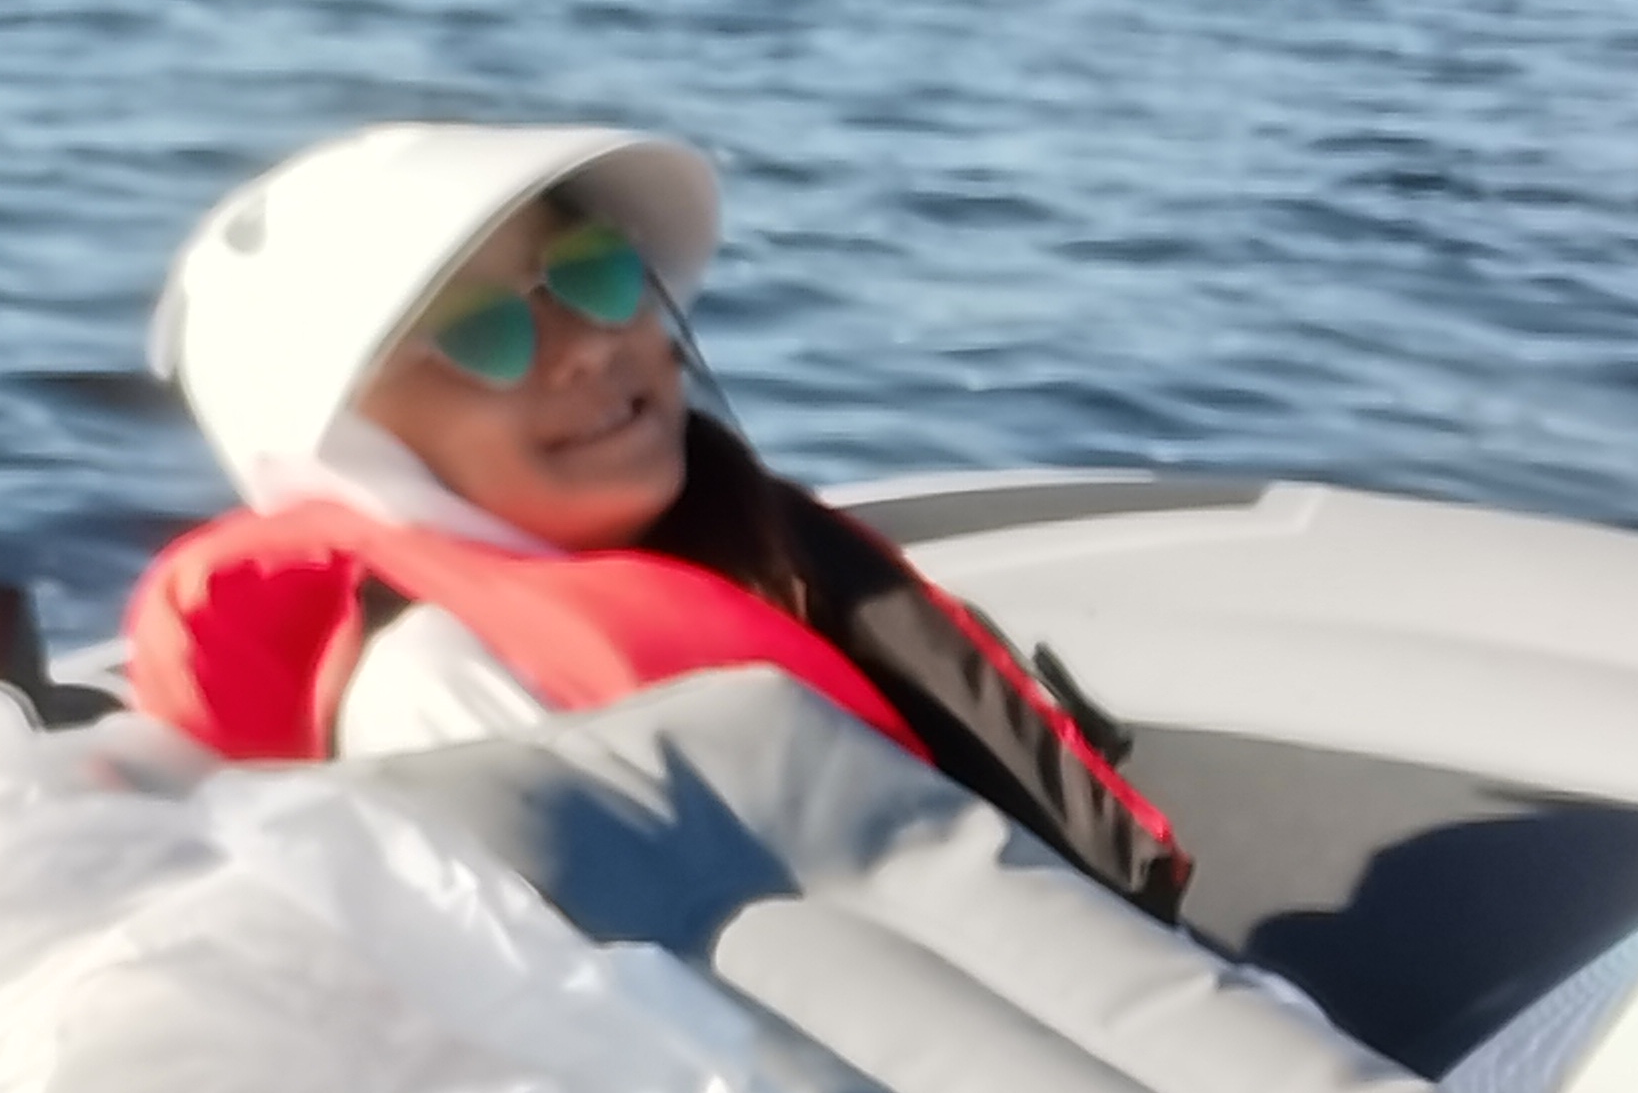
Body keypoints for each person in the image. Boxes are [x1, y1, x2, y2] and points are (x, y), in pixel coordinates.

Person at [124, 116, 1191, 914]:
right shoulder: (438, 692)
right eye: (481, 331)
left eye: (591, 274)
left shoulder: (767, 564)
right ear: (351, 447)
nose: (590, 345)